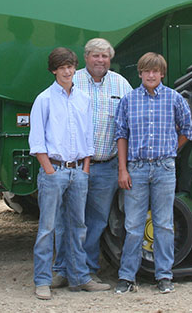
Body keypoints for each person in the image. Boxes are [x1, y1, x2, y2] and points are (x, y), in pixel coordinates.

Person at [28, 47, 110, 300]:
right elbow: (37, 139)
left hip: (79, 172)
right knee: (48, 229)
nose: (67, 70)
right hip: (54, 171)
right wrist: (49, 170)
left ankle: (79, 277)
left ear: (75, 68)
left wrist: (85, 168)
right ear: (54, 70)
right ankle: (42, 281)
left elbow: (87, 138)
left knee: (78, 226)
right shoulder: (44, 99)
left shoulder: (83, 99)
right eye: (62, 67)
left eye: (70, 66)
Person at [51, 38, 132, 287]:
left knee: (96, 222)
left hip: (106, 166)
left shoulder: (121, 84)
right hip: (74, 166)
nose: (100, 60)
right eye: (96, 56)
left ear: (110, 59)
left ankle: (86, 272)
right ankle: (62, 270)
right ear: (85, 58)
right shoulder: (72, 81)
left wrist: (123, 166)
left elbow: (129, 124)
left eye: (105, 56)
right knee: (67, 219)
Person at [113, 52, 192, 295]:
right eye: (146, 71)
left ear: (162, 74)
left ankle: (164, 276)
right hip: (136, 169)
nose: (151, 75)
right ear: (140, 73)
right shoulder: (128, 100)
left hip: (164, 169)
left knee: (164, 224)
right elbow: (121, 135)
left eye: (155, 71)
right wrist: (123, 168)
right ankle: (127, 276)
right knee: (134, 225)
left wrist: (170, 151)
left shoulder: (174, 99)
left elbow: (187, 130)